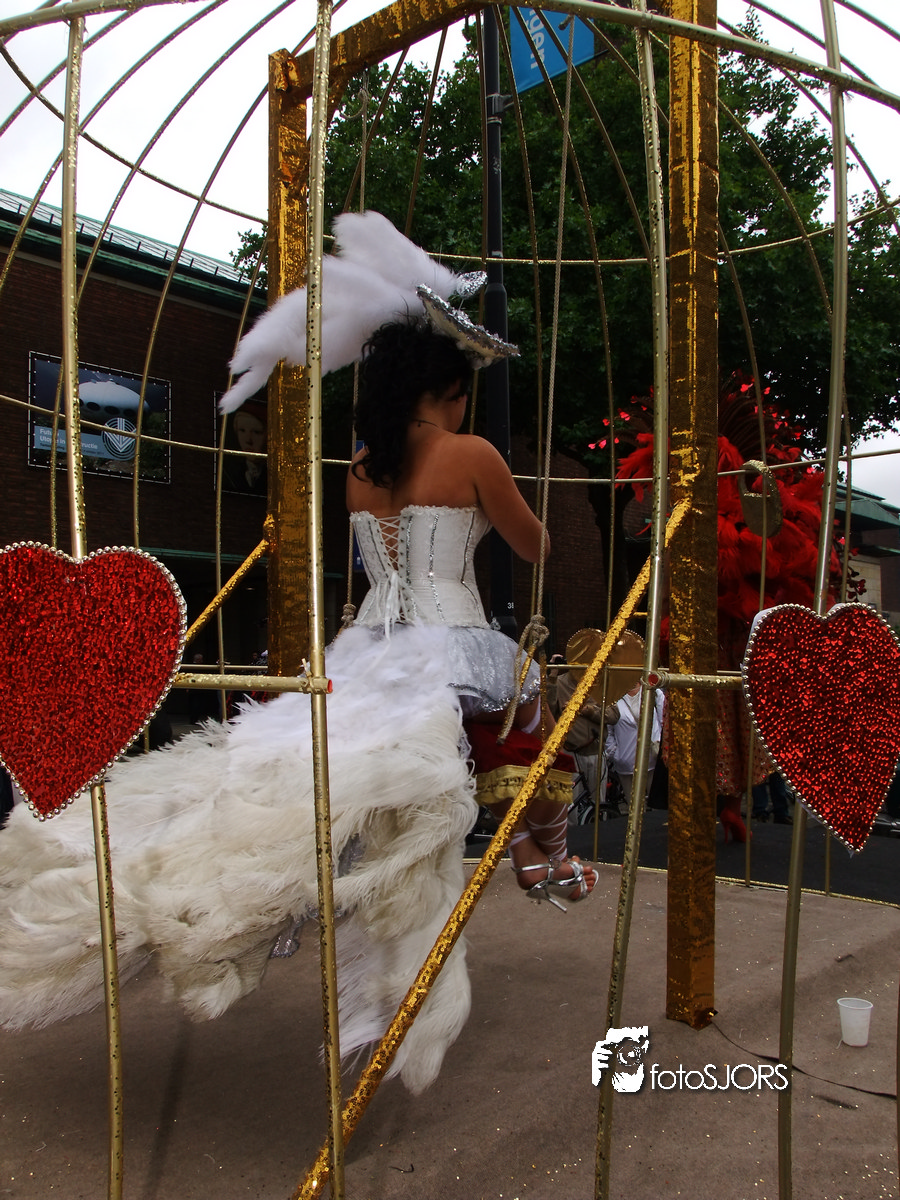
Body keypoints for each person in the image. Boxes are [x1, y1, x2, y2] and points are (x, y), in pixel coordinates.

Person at [0, 214, 594, 1095]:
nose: (468, 405)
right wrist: (508, 506)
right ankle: (543, 854)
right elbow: (536, 545)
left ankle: (460, 869)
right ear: (447, 389)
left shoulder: (361, 470)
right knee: (531, 703)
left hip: (369, 645)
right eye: (464, 390)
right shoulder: (472, 454)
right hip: (450, 638)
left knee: (329, 763)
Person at [547, 653, 620, 822]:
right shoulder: (558, 683)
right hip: (570, 754)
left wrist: (588, 711)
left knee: (598, 804)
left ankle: (599, 831)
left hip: (595, 752)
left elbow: (614, 715)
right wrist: (552, 675)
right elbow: (547, 712)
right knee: (570, 805)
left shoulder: (599, 683)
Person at [605, 682, 665, 810]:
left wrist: (660, 745)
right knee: (634, 808)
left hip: (652, 760)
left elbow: (664, 722)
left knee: (657, 807)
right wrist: (614, 753)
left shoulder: (654, 692)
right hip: (626, 762)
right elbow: (608, 729)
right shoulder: (613, 696)